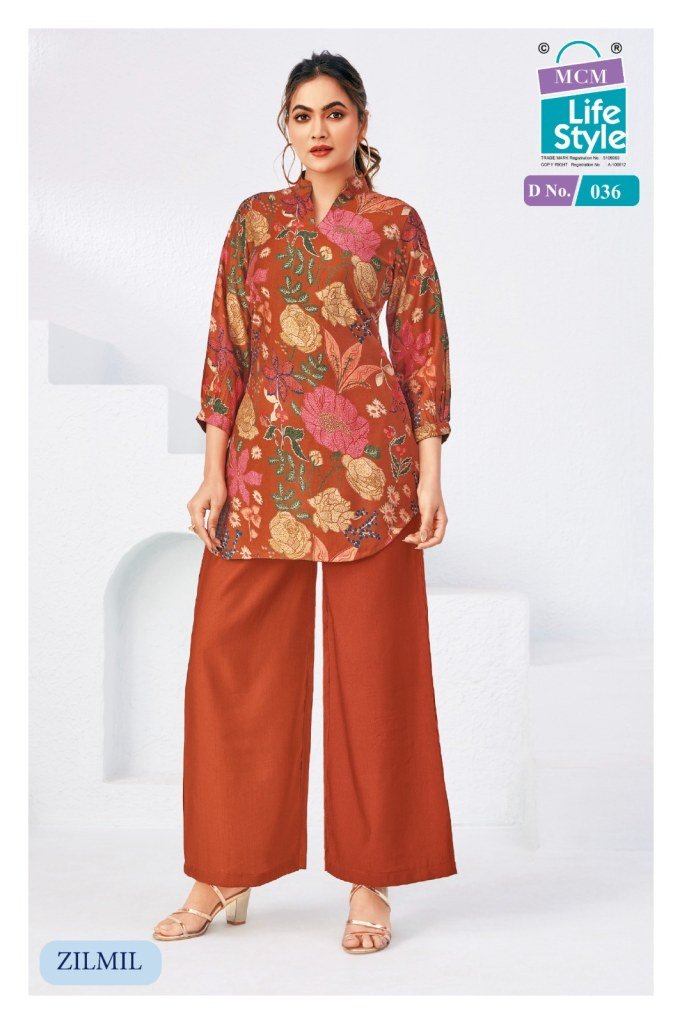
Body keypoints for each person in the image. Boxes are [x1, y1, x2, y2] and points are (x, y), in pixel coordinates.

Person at [153, 50, 457, 955]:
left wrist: (430, 476)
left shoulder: (396, 223)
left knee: (377, 677)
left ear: (361, 121)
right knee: (232, 671)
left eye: (333, 112)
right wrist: (213, 470)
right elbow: (227, 345)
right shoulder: (256, 220)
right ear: (285, 129)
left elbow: (422, 351)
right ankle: (223, 869)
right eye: (301, 115)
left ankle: (371, 879)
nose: (317, 129)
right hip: (262, 473)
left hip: (372, 475)